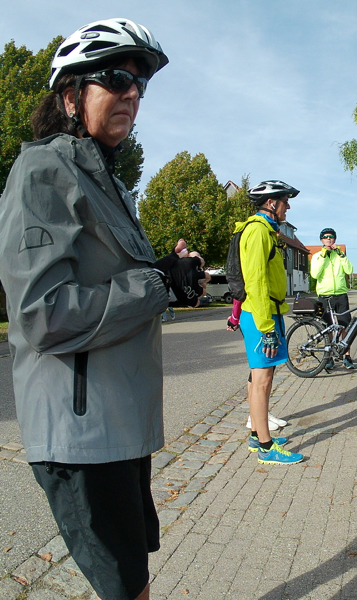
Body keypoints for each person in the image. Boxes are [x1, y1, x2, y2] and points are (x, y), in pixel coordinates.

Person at [0, 19, 211, 600]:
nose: (133, 94)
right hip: (81, 433)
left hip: (119, 425)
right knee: (125, 589)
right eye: (117, 79)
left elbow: (122, 279)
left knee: (132, 581)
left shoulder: (108, 185)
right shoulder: (43, 170)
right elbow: (42, 314)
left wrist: (171, 276)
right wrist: (155, 285)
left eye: (140, 85)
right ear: (71, 96)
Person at [234, 180, 303, 465]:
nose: (288, 207)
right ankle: (265, 447)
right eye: (285, 201)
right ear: (271, 203)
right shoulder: (258, 231)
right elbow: (256, 281)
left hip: (267, 312)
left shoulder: (267, 230)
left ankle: (256, 435)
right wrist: (266, 328)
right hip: (260, 315)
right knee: (262, 380)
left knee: (260, 378)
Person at [227, 299, 289, 432]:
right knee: (261, 372)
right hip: (258, 317)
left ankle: (260, 415)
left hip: (263, 315)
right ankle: (256, 419)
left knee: (263, 371)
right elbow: (241, 293)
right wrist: (234, 317)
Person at [310, 227, 355, 370]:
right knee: (328, 327)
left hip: (340, 294)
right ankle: (328, 357)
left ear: (335, 239)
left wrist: (341, 255)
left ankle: (347, 356)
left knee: (344, 326)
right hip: (325, 295)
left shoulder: (339, 255)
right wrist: (323, 256)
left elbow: (349, 270)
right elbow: (315, 274)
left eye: (331, 236)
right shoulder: (317, 256)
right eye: (325, 237)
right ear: (321, 240)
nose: (328, 239)